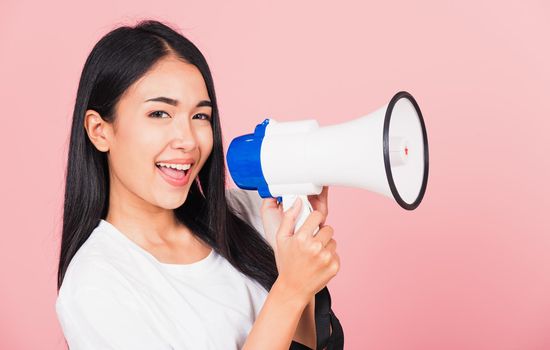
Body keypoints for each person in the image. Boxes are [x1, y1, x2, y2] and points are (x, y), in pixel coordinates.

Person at [55, 19, 344, 350]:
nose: (188, 140)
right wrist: (290, 289)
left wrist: (293, 257)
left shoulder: (249, 212)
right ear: (99, 130)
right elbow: (286, 299)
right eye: (160, 114)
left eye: (200, 116)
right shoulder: (94, 284)